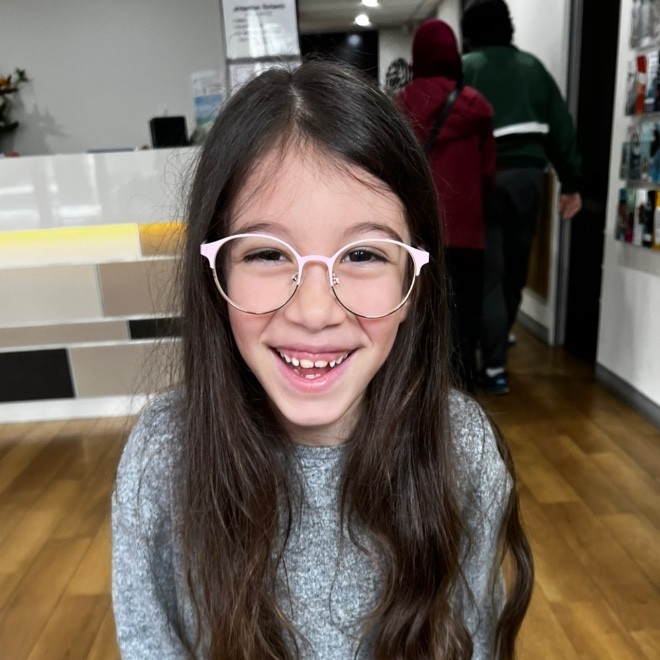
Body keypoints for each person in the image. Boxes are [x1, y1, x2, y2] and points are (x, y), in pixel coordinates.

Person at [111, 59, 533, 659]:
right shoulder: (163, 455)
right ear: (215, 277)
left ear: (413, 284)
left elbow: (476, 640)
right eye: (267, 254)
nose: (314, 311)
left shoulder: (461, 447)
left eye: (363, 254)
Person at [461, 0, 583, 394]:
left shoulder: (467, 68)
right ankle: (497, 357)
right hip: (529, 181)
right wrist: (572, 182)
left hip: (482, 180)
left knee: (490, 278)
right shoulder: (534, 69)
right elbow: (562, 129)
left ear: (470, 33)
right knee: (515, 274)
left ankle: (491, 361)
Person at [395, 19, 496, 394]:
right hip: (467, 233)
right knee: (465, 315)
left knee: (419, 313)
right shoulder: (476, 107)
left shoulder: (400, 106)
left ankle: (421, 388)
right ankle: (463, 389)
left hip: (418, 233)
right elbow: (488, 174)